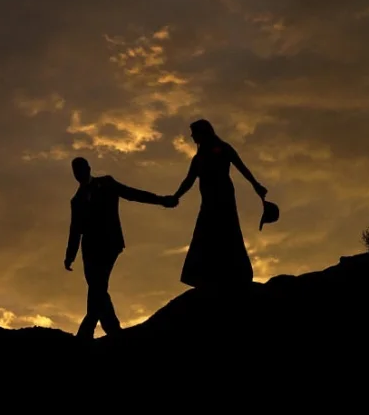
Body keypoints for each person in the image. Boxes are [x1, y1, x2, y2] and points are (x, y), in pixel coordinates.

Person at [65, 156, 176, 340]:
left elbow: (132, 194)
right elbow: (75, 229)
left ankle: (94, 330)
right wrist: (70, 255)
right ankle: (108, 330)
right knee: (97, 287)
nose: (79, 173)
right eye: (75, 171)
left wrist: (160, 200)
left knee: (97, 286)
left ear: (89, 168)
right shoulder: (76, 200)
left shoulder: (107, 183)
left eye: (81, 168)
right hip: (89, 248)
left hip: (109, 244)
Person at [168, 119, 268, 288]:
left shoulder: (223, 149)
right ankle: (208, 275)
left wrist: (255, 185)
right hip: (208, 201)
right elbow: (189, 180)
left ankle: (233, 274)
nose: (192, 136)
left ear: (203, 132)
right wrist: (175, 196)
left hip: (223, 199)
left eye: (194, 133)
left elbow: (241, 167)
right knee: (207, 235)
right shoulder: (198, 158)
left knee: (226, 232)